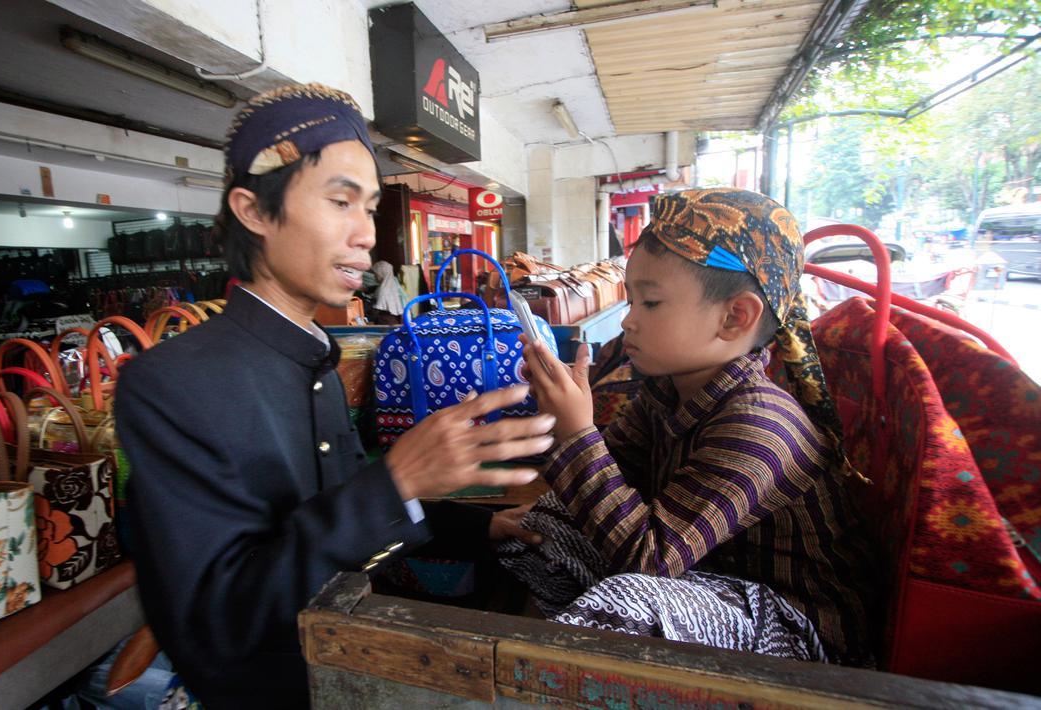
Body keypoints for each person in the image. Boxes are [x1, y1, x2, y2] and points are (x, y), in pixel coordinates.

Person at [114, 83, 554, 708]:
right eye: (341, 201)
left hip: (351, 664)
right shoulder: (169, 385)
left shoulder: (314, 355)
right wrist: (397, 480)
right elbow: (219, 621)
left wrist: (481, 527)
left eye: (370, 207)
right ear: (255, 211)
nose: (367, 234)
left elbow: (333, 505)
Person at [513, 188, 876, 666]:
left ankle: (550, 673)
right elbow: (608, 482)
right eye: (631, 301)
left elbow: (648, 560)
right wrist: (560, 425)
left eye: (650, 303)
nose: (628, 322)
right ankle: (552, 651)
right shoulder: (665, 394)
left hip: (796, 630)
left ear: (735, 317)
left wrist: (577, 434)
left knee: (629, 602)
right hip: (705, 581)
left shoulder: (761, 427)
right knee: (533, 530)